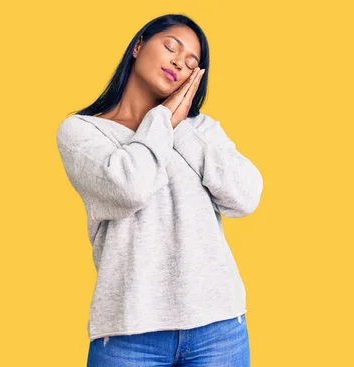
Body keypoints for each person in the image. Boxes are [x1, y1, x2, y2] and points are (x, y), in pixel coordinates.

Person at [56, 13, 263, 367]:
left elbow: (244, 197)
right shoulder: (81, 132)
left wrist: (179, 125)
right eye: (171, 47)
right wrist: (163, 120)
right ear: (138, 46)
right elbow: (130, 188)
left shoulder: (201, 130)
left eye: (191, 64)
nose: (178, 63)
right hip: (130, 332)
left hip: (219, 327)